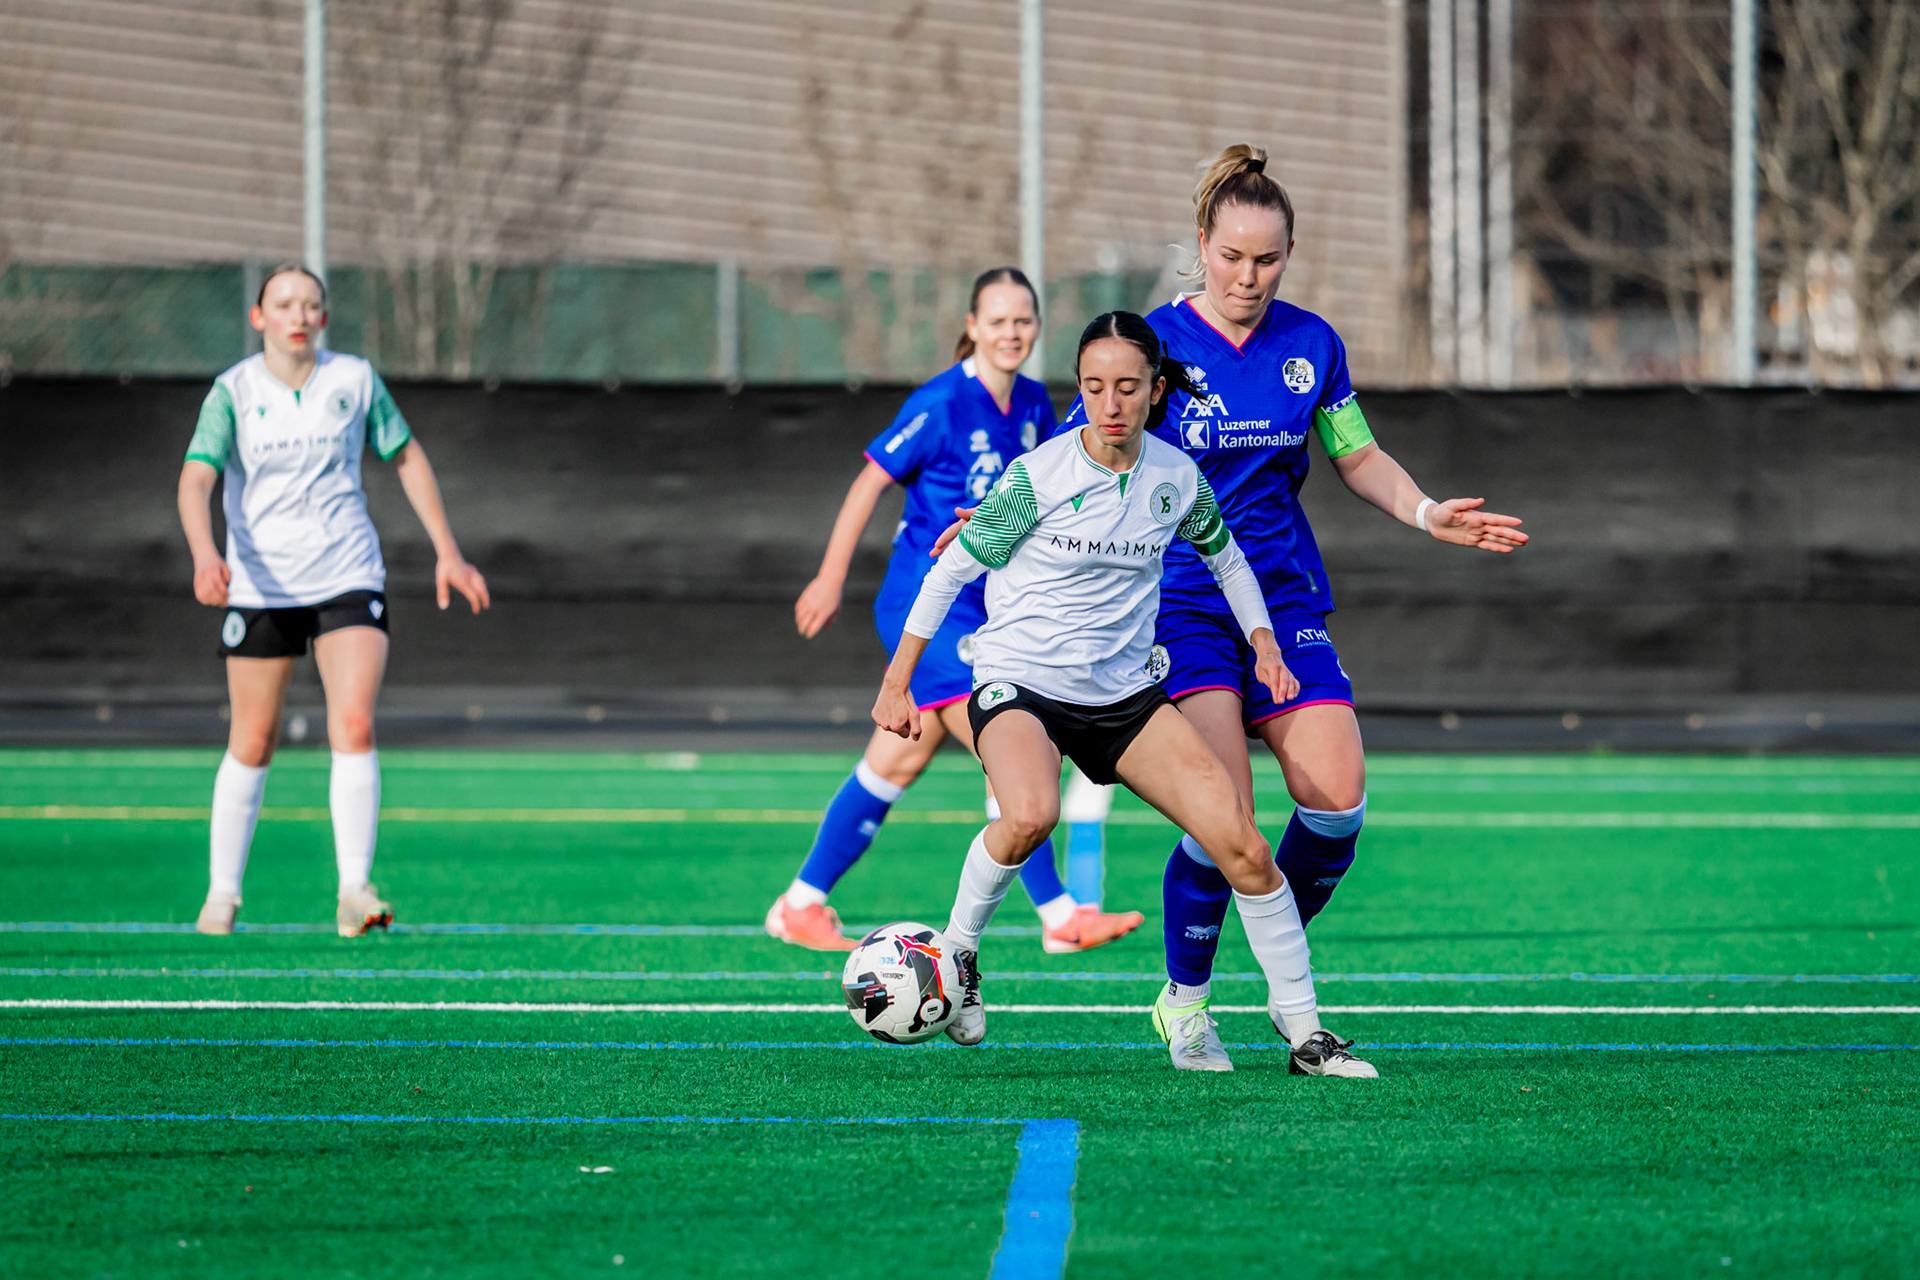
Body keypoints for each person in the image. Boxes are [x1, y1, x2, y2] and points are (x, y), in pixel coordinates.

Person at [1065, 146, 1527, 1069]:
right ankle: (1189, 1000)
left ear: (1288, 255)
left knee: (1336, 801)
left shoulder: (1313, 345)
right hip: (1184, 603)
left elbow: (1355, 454)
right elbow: (1088, 441)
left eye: (1267, 259)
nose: (1248, 275)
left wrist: (1429, 512)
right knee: (1223, 810)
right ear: (1204, 245)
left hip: (1282, 603)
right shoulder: (1155, 345)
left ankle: (1255, 948)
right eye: (1232, 256)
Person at [876, 311, 1375, 1077]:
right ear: (1080, 389)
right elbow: (948, 574)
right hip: (1021, 684)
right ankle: (962, 954)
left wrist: (1265, 643)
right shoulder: (1037, 477)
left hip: (1125, 699)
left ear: (1156, 391)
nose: (1110, 403)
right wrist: (896, 681)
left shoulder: (1176, 478)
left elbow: (1228, 560)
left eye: (1128, 387)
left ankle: (1304, 1031)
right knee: (1030, 815)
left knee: (1239, 840)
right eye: (1094, 386)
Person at [770, 268, 1145, 954]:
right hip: (929, 609)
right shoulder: (940, 404)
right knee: (1013, 741)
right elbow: (867, 484)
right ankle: (1060, 917)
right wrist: (829, 577)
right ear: (972, 326)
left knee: (895, 761)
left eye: (1023, 320)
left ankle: (800, 902)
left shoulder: (1034, 403)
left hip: (991, 613)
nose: (1012, 332)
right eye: (998, 320)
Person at [177, 264, 489, 938]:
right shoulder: (232, 392)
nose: (299, 314)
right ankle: (222, 896)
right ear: (258, 317)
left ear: (323, 318)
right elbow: (195, 478)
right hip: (261, 584)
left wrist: (448, 551)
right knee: (253, 740)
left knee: (353, 724)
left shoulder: (354, 380)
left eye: (311, 305)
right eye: (284, 303)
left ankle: (354, 889)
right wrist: (206, 552)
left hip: (348, 575)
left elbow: (405, 456)